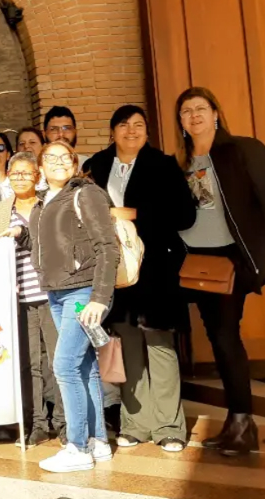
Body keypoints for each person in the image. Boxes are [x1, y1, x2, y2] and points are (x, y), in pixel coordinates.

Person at [83, 105, 195, 453]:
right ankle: (136, 424)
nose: (131, 130)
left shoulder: (163, 165)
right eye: (123, 125)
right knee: (129, 344)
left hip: (156, 269)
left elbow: (184, 215)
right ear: (112, 131)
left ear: (147, 131)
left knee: (159, 344)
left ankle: (169, 426)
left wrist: (137, 215)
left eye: (139, 125)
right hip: (115, 271)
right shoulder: (97, 166)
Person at [6, 141, 119, 473]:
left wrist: (100, 297)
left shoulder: (86, 194)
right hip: (56, 292)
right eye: (49, 157)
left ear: (73, 164)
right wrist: (21, 234)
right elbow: (51, 245)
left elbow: (106, 246)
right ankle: (98, 442)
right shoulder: (43, 203)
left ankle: (78, 447)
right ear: (41, 167)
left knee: (65, 366)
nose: (57, 161)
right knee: (85, 367)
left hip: (83, 291)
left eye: (63, 157)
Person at [175, 87, 265, 456]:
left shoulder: (242, 150)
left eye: (201, 108)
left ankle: (243, 422)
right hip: (195, 260)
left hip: (230, 258)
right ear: (181, 122)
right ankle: (237, 421)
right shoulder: (181, 161)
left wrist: (255, 255)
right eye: (186, 111)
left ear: (216, 113)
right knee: (218, 337)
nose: (194, 115)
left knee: (226, 336)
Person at [0, 152, 64, 448]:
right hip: (18, 300)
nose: (20, 178)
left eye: (26, 173)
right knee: (29, 364)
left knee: (60, 361)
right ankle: (36, 424)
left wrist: (24, 232)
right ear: (8, 177)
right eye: (15, 173)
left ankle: (64, 422)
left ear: (38, 176)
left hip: (51, 295)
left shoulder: (49, 205)